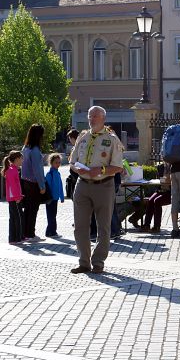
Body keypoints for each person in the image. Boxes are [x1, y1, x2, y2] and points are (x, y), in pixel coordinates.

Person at [69, 106, 124, 274]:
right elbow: (72, 161)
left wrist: (99, 170)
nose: (91, 119)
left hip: (104, 186)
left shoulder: (112, 139)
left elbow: (117, 167)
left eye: (95, 116)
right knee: (80, 226)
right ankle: (84, 262)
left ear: (103, 119)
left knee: (103, 227)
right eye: (89, 116)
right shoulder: (83, 137)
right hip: (82, 184)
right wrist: (77, 169)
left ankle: (98, 262)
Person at [21, 124, 46, 242]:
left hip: (25, 181)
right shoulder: (35, 150)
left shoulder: (25, 148)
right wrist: (42, 185)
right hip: (34, 183)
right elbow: (38, 170)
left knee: (28, 209)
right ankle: (30, 234)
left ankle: (25, 233)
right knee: (33, 209)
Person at [2, 151, 24, 244]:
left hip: (14, 198)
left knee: (14, 218)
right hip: (14, 199)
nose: (23, 160)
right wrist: (17, 197)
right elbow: (13, 186)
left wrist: (19, 195)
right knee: (17, 218)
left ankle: (13, 239)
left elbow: (15, 185)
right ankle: (17, 238)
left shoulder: (13, 169)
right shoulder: (12, 170)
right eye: (21, 158)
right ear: (17, 159)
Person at [141, 163, 171, 233]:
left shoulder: (174, 166)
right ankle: (146, 225)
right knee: (150, 200)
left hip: (170, 192)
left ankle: (157, 226)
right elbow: (158, 179)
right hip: (160, 190)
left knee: (157, 201)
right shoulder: (160, 167)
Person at [45, 153, 64, 238]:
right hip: (50, 199)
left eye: (59, 162)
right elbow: (47, 187)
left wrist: (62, 196)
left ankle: (51, 231)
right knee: (51, 215)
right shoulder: (50, 174)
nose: (58, 164)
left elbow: (60, 186)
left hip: (55, 198)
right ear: (51, 163)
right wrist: (49, 197)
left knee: (53, 215)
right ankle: (51, 232)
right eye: (56, 162)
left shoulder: (58, 173)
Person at [66, 129, 80, 199]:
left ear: (73, 138)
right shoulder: (75, 148)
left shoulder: (78, 148)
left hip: (76, 176)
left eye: (70, 139)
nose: (70, 141)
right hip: (74, 176)